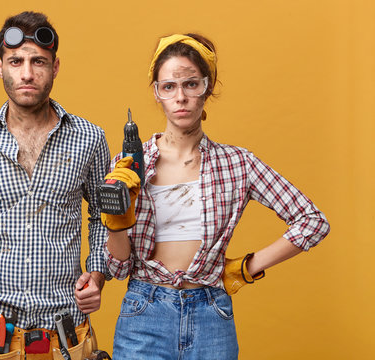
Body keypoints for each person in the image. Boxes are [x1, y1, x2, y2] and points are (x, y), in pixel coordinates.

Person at [102, 33, 330, 359]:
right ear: (157, 93)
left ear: (207, 88)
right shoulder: (129, 165)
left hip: (211, 314)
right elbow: (119, 268)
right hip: (144, 313)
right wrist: (117, 222)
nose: (180, 97)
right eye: (169, 87)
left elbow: (312, 221)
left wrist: (250, 266)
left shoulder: (237, 163)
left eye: (191, 84)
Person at [0, 11, 110, 359]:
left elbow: (104, 217)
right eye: (16, 61)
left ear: (55, 67)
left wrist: (98, 272)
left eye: (38, 61)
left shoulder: (90, 138)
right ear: (0, 65)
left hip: (66, 336)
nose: (27, 73)